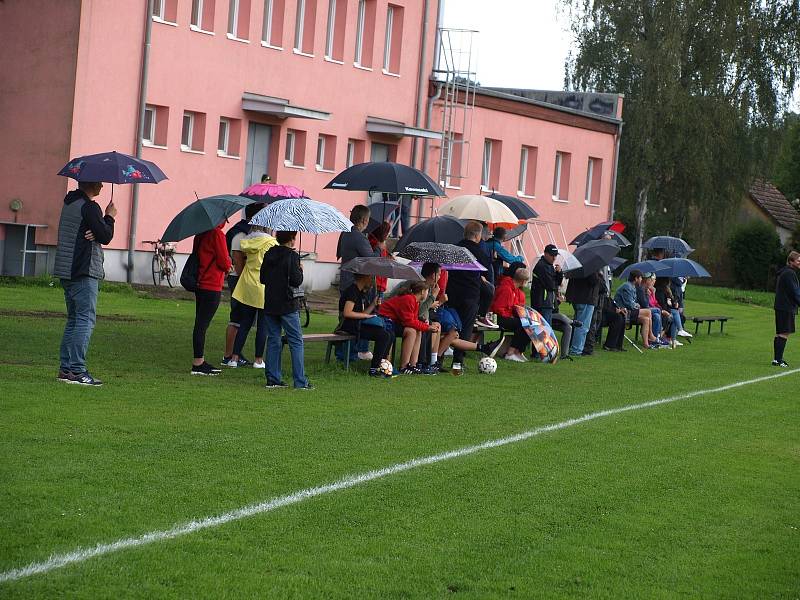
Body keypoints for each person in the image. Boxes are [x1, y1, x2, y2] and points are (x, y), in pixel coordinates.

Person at [54, 181, 116, 386]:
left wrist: (95, 230)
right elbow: (106, 236)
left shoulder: (70, 203)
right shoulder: (90, 207)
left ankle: (66, 369)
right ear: (91, 184)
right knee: (85, 320)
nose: (102, 185)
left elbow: (94, 232)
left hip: (67, 270)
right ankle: (78, 370)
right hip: (83, 269)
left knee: (73, 319)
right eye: (99, 182)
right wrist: (109, 217)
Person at [260, 231, 312, 389]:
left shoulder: (269, 253)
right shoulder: (292, 256)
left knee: (274, 339)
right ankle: (300, 381)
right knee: (296, 341)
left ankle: (273, 379)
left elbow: (262, 278)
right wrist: (300, 269)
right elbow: (297, 280)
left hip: (270, 302)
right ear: (292, 239)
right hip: (288, 304)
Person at [226, 225, 277, 368]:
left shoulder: (247, 241)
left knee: (244, 323)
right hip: (263, 285)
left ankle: (234, 358)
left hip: (248, 284)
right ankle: (258, 360)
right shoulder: (271, 243)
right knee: (262, 325)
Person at [445, 220, 493, 367]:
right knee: (466, 329)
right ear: (477, 235)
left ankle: (438, 356)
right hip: (470, 294)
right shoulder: (480, 252)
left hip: (452, 292)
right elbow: (485, 272)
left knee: (451, 326)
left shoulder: (455, 248)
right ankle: (458, 361)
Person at [223, 202, 264, 366]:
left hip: (244, 279)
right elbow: (238, 261)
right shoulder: (240, 234)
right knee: (237, 318)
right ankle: (229, 355)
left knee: (242, 318)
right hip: (239, 279)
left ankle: (235, 354)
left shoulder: (249, 233)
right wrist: (243, 282)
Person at [336, 205, 379, 361]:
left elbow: (339, 253)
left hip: (345, 279)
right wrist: (379, 249)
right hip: (357, 282)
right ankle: (360, 349)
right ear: (364, 220)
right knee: (359, 315)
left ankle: (346, 351)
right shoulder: (359, 237)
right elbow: (371, 259)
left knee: (344, 318)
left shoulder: (345, 233)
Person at [191, 222, 232, 375]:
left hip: (200, 283)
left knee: (200, 323)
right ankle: (198, 363)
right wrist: (229, 263)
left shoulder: (200, 234)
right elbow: (223, 261)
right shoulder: (217, 234)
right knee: (202, 325)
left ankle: (199, 360)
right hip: (212, 284)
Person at [379, 281, 441, 374]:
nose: (428, 294)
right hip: (386, 321)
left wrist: (424, 324)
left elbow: (413, 319)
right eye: (428, 292)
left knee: (418, 330)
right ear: (422, 292)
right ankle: (404, 366)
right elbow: (409, 321)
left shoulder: (415, 301)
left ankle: (413, 365)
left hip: (394, 321)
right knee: (411, 331)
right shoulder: (409, 299)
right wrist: (427, 327)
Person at [339, 273, 393, 377]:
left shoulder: (360, 292)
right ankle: (374, 368)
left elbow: (362, 313)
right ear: (364, 277)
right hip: (349, 326)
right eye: (370, 277)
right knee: (383, 335)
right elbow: (347, 312)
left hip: (357, 324)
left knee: (389, 334)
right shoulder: (352, 291)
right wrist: (366, 317)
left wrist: (373, 304)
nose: (372, 280)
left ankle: (382, 364)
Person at [490, 263, 532, 362]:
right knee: (523, 325)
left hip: (504, 316)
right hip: (497, 317)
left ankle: (518, 351)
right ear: (523, 281)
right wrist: (512, 316)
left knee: (530, 325)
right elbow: (498, 309)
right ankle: (510, 352)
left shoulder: (514, 290)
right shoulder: (507, 289)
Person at [614, 269, 657, 350]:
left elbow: (635, 303)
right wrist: (637, 305)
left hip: (629, 311)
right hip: (623, 311)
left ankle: (646, 344)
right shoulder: (627, 286)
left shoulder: (632, 286)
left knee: (646, 319)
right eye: (640, 278)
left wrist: (638, 303)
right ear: (636, 278)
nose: (641, 279)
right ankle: (651, 335)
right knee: (648, 312)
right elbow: (630, 304)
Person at [773, 250, 800, 367]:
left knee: (781, 333)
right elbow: (794, 292)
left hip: (782, 306)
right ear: (791, 261)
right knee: (784, 333)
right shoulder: (789, 273)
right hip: (786, 307)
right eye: (798, 261)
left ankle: (776, 359)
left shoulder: (786, 272)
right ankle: (778, 360)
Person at [565, 271, 602, 356]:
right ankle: (576, 350)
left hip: (578, 298)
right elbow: (594, 280)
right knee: (582, 327)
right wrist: (599, 275)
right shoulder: (590, 266)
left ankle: (575, 348)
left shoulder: (577, 263)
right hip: (586, 299)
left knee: (578, 325)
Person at [531, 244, 563, 325]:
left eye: (555, 255)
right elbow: (551, 286)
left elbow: (557, 283)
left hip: (547, 303)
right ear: (545, 254)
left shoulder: (549, 265)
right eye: (552, 255)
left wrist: (559, 273)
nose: (554, 258)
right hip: (542, 303)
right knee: (544, 329)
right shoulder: (542, 266)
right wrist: (556, 280)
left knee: (546, 329)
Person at [368, 221, 392, 301]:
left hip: (380, 285)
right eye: (387, 232)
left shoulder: (380, 245)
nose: (388, 235)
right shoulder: (374, 244)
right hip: (376, 284)